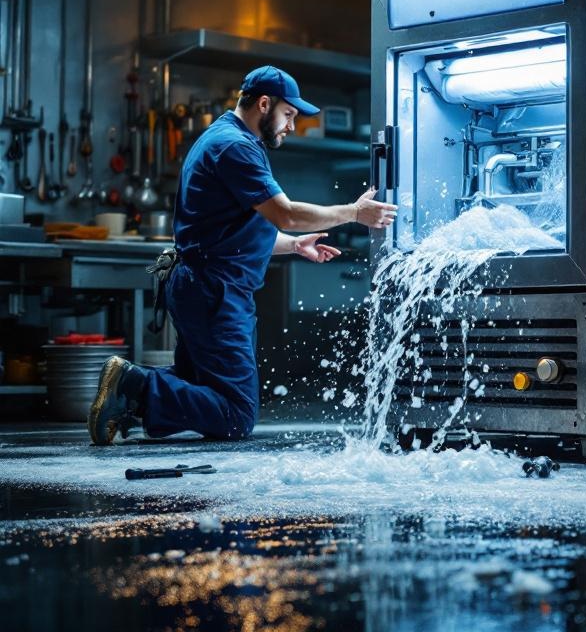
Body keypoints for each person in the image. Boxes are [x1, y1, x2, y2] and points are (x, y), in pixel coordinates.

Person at [88, 65, 397, 445]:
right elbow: (285, 212)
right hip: (214, 291)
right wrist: (353, 212)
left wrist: (292, 244)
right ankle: (135, 385)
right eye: (288, 115)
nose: (291, 126)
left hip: (202, 285)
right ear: (264, 104)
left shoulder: (227, 137)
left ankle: (130, 399)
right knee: (235, 415)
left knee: (198, 385)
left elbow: (239, 228)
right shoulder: (235, 147)